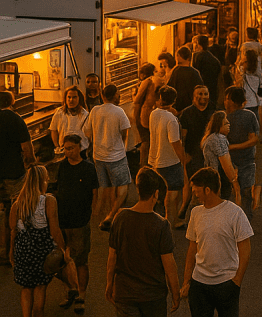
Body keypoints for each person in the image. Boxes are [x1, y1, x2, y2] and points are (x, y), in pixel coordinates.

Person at [106, 167, 179, 317]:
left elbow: (112, 257)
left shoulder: (120, 218)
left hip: (125, 293)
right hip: (153, 296)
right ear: (156, 193)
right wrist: (175, 293)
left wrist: (109, 283)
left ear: (138, 190)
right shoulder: (161, 225)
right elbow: (169, 264)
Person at [181, 167, 254, 317]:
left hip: (226, 284)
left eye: (196, 190)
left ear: (207, 190)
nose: (194, 194)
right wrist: (187, 281)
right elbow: (192, 249)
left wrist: (237, 280)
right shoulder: (196, 213)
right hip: (199, 284)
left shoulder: (235, 213)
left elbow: (245, 248)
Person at [10, 165, 78, 317]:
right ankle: (38, 313)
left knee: (26, 287)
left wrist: (11, 252)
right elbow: (54, 229)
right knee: (40, 286)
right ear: (42, 182)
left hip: (22, 249)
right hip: (41, 248)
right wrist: (62, 248)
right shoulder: (48, 200)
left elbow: (13, 230)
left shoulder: (16, 204)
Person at [54, 135, 96, 315]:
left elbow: (95, 193)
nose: (68, 151)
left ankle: (81, 295)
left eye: (71, 148)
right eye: (65, 148)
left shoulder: (88, 168)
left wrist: (91, 215)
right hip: (62, 221)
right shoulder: (62, 166)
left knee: (80, 260)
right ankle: (70, 289)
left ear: (80, 147)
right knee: (59, 260)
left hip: (80, 221)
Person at [84, 84, 131, 231]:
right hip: (117, 156)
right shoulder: (119, 112)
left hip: (99, 156)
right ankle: (111, 215)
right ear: (115, 95)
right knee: (122, 188)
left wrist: (96, 140)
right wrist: (121, 145)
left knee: (105, 187)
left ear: (103, 96)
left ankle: (102, 218)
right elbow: (125, 132)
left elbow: (87, 131)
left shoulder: (95, 111)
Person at [1, 89, 35, 266]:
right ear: (12, 102)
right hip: (14, 173)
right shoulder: (16, 119)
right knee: (15, 211)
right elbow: (27, 148)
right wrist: (31, 164)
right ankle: (11, 251)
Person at [148, 86, 187, 229]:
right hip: (170, 161)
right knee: (173, 192)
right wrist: (184, 160)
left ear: (159, 99)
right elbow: (175, 143)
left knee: (160, 192)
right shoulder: (171, 120)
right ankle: (171, 220)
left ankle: (160, 219)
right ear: (174, 100)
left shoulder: (153, 114)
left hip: (155, 160)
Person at [223, 87, 259, 220]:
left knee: (245, 190)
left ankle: (245, 219)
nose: (225, 102)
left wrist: (232, 147)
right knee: (238, 192)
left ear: (232, 101)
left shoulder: (248, 116)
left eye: (227, 99)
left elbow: (254, 139)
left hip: (244, 161)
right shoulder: (223, 117)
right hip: (231, 161)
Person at [180, 85, 216, 212]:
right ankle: (192, 213)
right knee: (196, 188)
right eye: (200, 94)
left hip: (210, 154)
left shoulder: (213, 110)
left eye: (205, 94)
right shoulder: (187, 113)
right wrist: (183, 154)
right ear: (193, 97)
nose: (203, 97)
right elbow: (182, 137)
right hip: (193, 156)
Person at [201, 111, 240, 204]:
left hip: (210, 180)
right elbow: (225, 163)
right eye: (226, 123)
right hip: (219, 182)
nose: (229, 125)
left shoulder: (209, 138)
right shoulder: (219, 138)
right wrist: (235, 185)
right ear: (218, 125)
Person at [49, 87, 90, 159]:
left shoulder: (85, 115)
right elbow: (53, 130)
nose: (71, 100)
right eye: (69, 97)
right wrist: (57, 146)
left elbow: (89, 135)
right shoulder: (59, 112)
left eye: (74, 97)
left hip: (81, 152)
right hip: (64, 151)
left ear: (79, 99)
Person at [132, 64, 159, 166]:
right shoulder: (155, 81)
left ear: (143, 73)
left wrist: (133, 95)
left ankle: (143, 164)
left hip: (143, 115)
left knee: (145, 140)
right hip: (150, 114)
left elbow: (137, 99)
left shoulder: (146, 81)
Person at [168, 46, 205, 114]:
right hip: (190, 108)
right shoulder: (194, 73)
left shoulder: (176, 71)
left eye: (178, 56)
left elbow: (170, 88)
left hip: (177, 107)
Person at [193, 36, 223, 110]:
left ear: (198, 44)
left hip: (201, 88)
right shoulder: (214, 59)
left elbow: (195, 72)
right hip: (213, 87)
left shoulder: (197, 56)